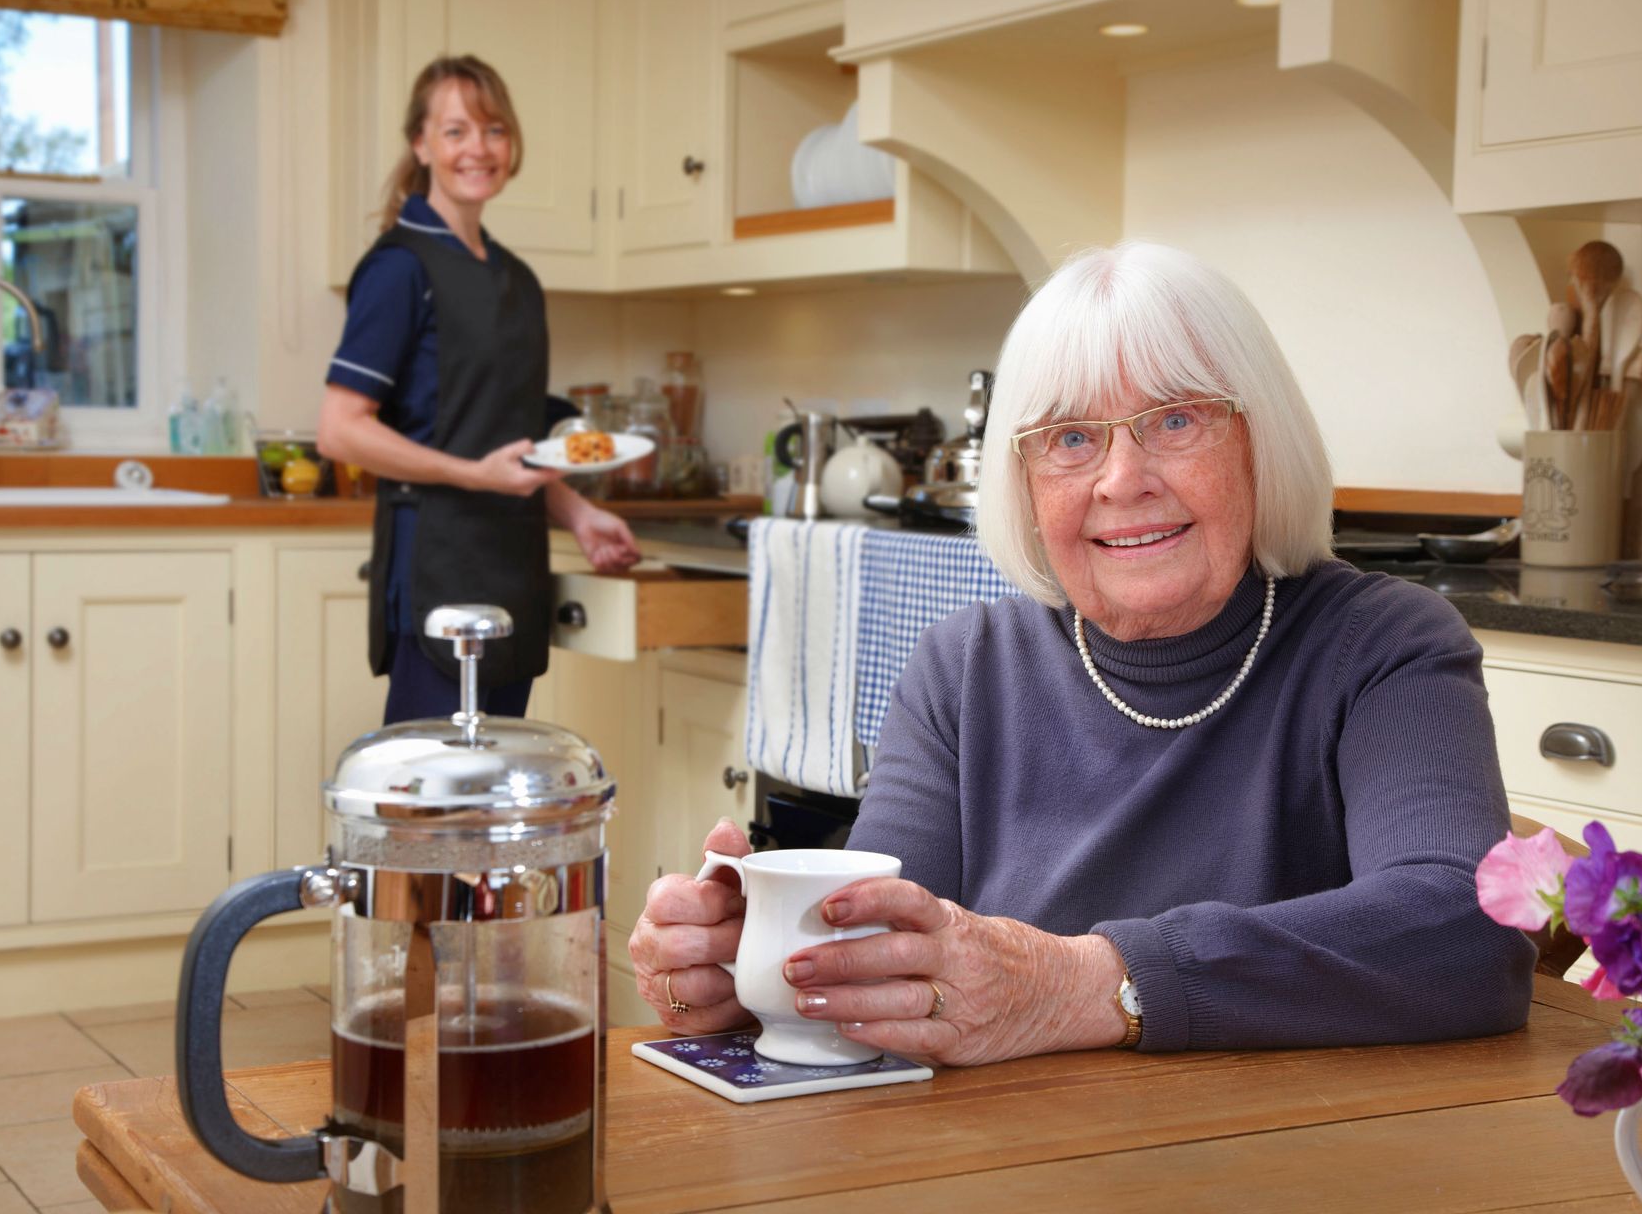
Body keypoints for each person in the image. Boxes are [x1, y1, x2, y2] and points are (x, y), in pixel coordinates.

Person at [629, 242, 1534, 1065]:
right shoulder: (964, 671)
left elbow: (1466, 929)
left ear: (1263, 441)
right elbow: (879, 966)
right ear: (1021, 481)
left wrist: (1084, 982)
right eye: (1068, 438)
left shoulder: (1383, 645)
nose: (1121, 479)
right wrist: (759, 971)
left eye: (1176, 421)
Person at [317, 56, 638, 723]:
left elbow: (511, 444)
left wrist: (579, 516)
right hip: (438, 568)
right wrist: (472, 475)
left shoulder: (517, 280)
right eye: (457, 130)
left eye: (493, 130)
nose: (478, 149)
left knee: (497, 808)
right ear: (422, 143)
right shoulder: (399, 268)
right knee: (434, 807)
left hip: (514, 571)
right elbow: (340, 429)